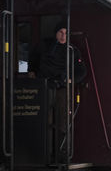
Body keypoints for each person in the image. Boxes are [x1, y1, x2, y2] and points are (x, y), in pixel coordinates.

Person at [28, 21, 86, 162]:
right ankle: (44, 153)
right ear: (55, 33)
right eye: (60, 32)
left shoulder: (72, 50)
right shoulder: (44, 46)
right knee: (44, 120)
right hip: (44, 87)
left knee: (63, 122)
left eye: (66, 33)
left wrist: (72, 79)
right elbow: (33, 60)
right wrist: (32, 72)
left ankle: (62, 154)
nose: (63, 36)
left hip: (63, 88)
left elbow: (82, 71)